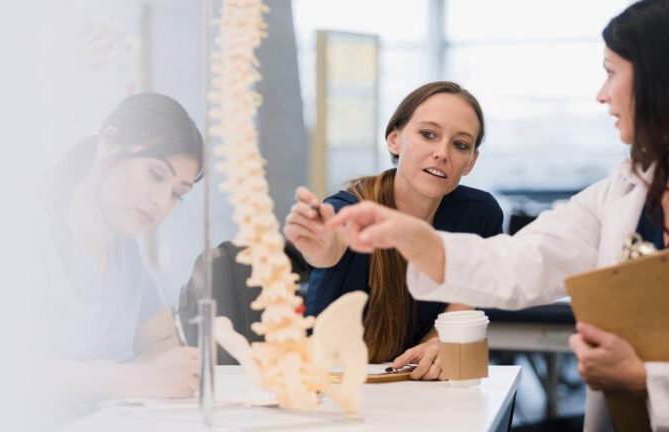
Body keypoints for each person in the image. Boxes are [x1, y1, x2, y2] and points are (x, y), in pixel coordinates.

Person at [326, 1, 669, 430]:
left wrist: (646, 380)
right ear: (394, 139)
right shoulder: (626, 188)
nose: (602, 94)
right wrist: (416, 238)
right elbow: (520, 263)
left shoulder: (477, 208)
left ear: (657, 75)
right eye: (428, 134)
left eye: (612, 72)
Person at [284, 82, 504, 376]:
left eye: (460, 144)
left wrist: (440, 342)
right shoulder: (348, 210)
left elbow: (461, 304)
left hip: (418, 388)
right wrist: (323, 248)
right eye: (428, 135)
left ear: (470, 162)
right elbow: (331, 245)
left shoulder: (479, 214)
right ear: (394, 140)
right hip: (335, 384)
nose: (442, 152)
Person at [25, 93, 204, 428]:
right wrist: (131, 380)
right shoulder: (30, 236)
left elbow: (163, 342)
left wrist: (146, 377)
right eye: (155, 174)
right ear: (108, 144)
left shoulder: (126, 254)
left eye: (178, 194)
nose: (161, 202)